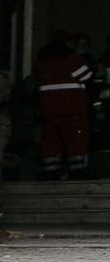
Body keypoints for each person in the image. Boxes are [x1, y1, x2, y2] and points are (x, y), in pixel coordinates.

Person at [33, 31, 92, 179]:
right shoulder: (72, 60)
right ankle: (77, 171)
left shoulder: (43, 63)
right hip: (73, 109)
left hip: (49, 110)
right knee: (75, 140)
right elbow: (87, 76)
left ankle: (51, 171)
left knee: (51, 141)